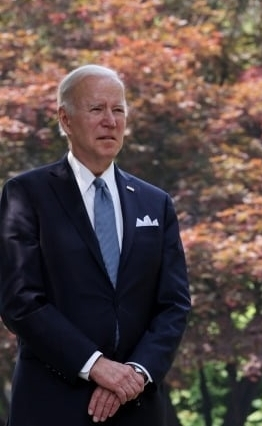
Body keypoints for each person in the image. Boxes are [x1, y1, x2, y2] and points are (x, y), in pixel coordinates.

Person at [0, 64, 192, 425]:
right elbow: (19, 301)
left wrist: (134, 373)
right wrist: (95, 366)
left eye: (118, 110)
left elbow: (174, 304)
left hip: (137, 405)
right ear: (65, 119)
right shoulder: (26, 194)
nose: (111, 121)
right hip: (52, 403)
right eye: (96, 109)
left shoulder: (155, 203)